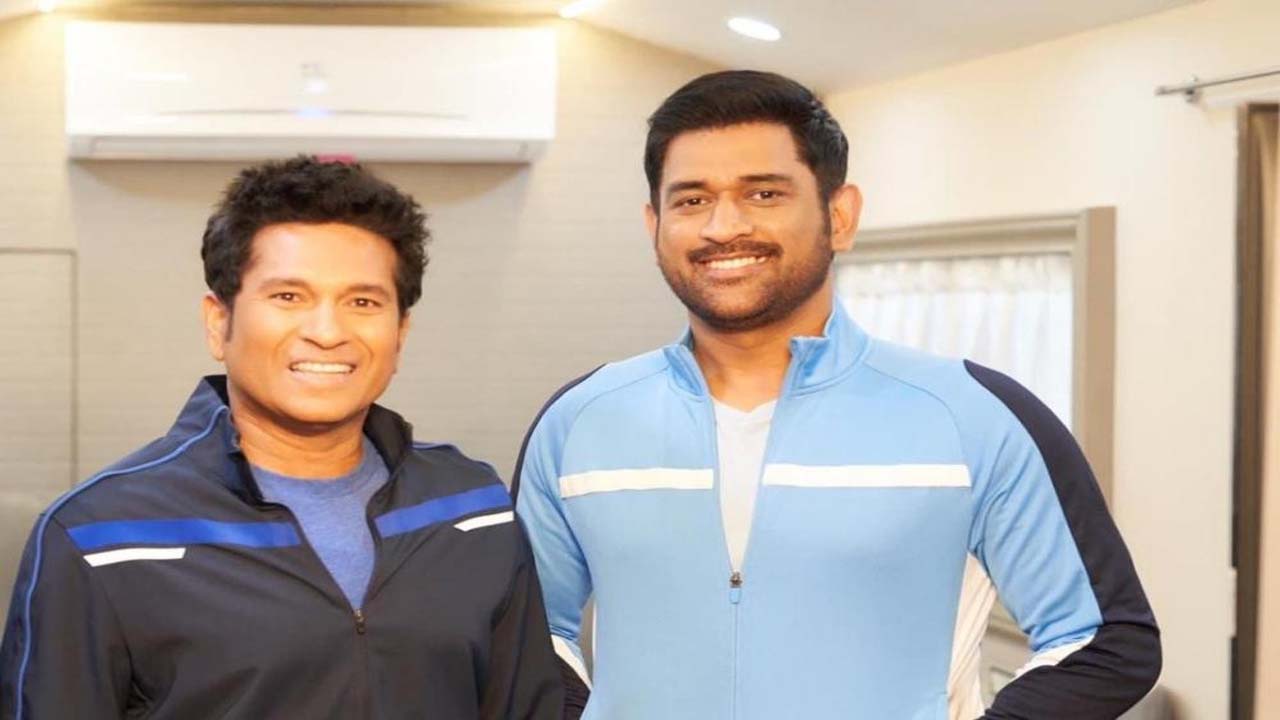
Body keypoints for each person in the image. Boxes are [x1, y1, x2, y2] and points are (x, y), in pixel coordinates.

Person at [514, 70, 1160, 720]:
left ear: (840, 216)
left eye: (764, 193)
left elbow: (1103, 640)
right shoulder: (577, 422)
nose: (723, 226)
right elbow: (528, 639)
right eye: (691, 200)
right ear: (654, 224)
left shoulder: (976, 416)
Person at [1, 156, 562, 719]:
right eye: (288, 297)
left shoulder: (471, 508)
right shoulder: (99, 535)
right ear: (218, 323)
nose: (327, 332)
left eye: (363, 302)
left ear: (400, 333)